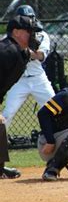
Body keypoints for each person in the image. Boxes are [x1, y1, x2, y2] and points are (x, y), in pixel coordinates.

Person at [0, 14, 42, 179]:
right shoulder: (6, 52)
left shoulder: (18, 52)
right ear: (16, 32)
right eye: (29, 32)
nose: (33, 36)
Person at [2, 5, 55, 128]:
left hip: (38, 79)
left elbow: (41, 56)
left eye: (29, 19)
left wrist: (25, 52)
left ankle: (59, 139)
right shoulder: (13, 36)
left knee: (54, 109)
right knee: (7, 113)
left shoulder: (41, 35)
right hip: (18, 81)